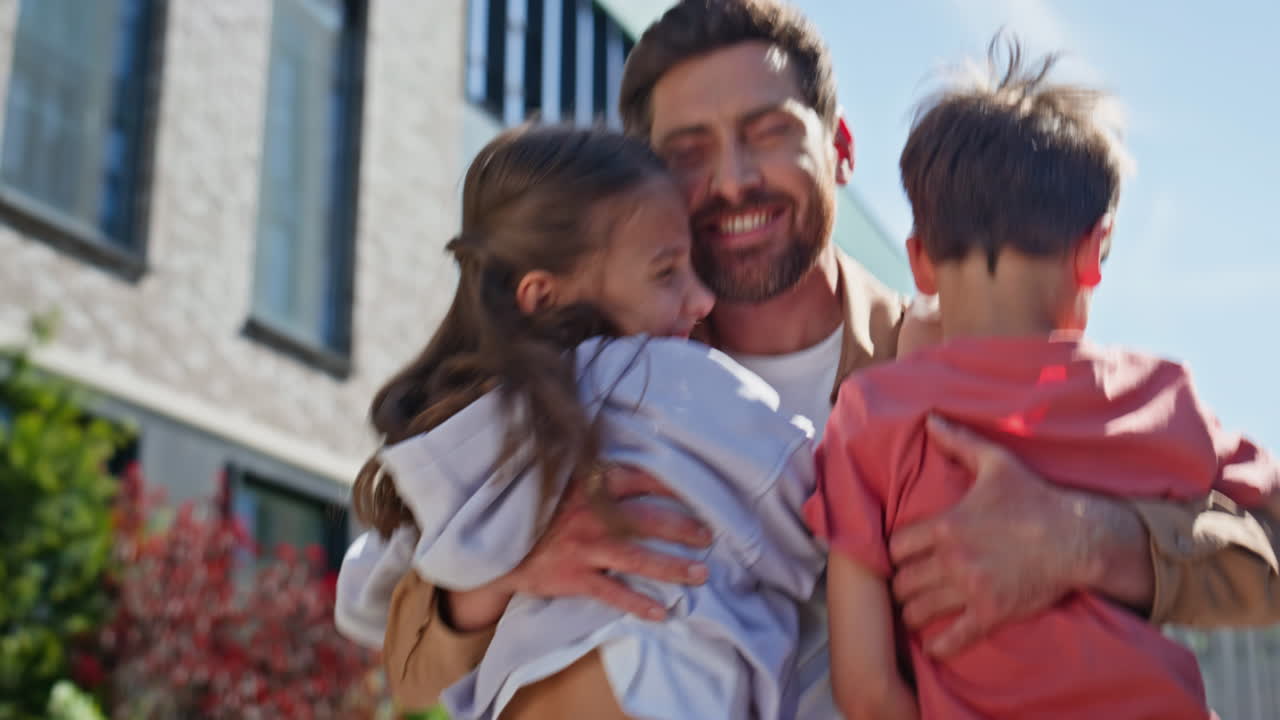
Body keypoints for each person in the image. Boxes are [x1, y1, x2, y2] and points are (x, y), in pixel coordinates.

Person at [338, 0, 1280, 715]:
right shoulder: (587, 381)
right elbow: (409, 651)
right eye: (691, 151)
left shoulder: (982, 357)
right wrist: (510, 571)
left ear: (839, 147)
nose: (735, 180)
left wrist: (1091, 541)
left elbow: (1264, 536)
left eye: (768, 134)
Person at [805, 37, 1279, 720]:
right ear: (1092, 255)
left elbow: (867, 687)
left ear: (920, 261)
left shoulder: (870, 416)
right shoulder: (1157, 398)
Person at [343, 123, 829, 720]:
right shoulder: (664, 374)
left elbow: (368, 609)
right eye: (665, 273)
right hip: (656, 676)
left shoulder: (472, 432)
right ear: (543, 296)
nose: (701, 299)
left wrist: (488, 571)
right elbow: (804, 498)